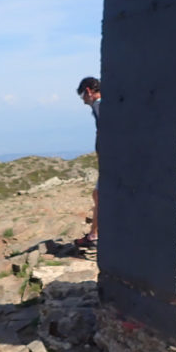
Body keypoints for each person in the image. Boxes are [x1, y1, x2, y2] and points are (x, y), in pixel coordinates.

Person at [75, 76, 101, 247]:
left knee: (100, 196)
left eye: (82, 95)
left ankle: (94, 236)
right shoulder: (100, 105)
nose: (83, 100)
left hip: (110, 161)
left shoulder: (99, 105)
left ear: (88, 91)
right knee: (97, 195)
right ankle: (95, 233)